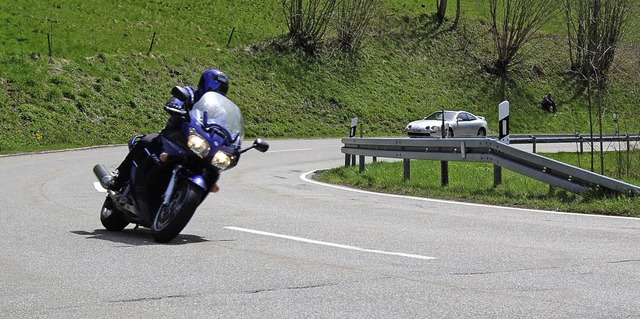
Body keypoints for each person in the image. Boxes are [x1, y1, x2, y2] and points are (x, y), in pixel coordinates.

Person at [105, 68, 230, 191]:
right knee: (145, 142)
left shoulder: (220, 112)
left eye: (221, 89)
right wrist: (175, 104)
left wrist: (229, 140)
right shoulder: (190, 94)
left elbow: (223, 128)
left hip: (197, 148)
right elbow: (178, 99)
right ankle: (118, 178)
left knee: (211, 173)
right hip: (174, 137)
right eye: (215, 86)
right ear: (204, 83)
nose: (217, 91)